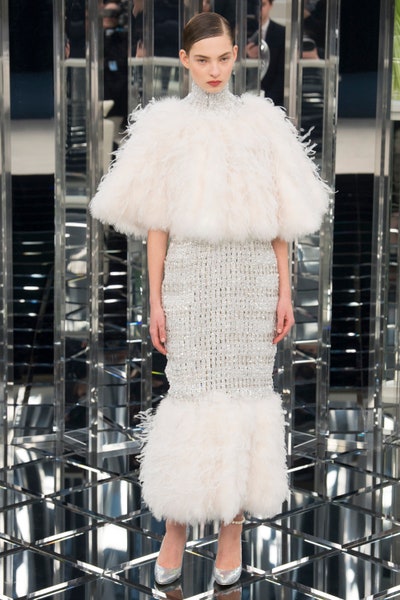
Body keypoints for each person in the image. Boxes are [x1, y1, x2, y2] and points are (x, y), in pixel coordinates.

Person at [90, 12, 329, 587]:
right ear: (185, 61)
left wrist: (285, 290)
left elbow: (280, 220)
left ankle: (231, 533)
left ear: (236, 56)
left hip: (251, 281)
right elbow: (156, 226)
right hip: (190, 281)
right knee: (190, 397)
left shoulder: (261, 123)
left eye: (223, 58)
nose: (215, 70)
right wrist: (155, 300)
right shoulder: (165, 126)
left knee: (246, 400)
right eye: (203, 60)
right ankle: (175, 528)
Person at [246, 0, 285, 105]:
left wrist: (267, 103)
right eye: (255, 4)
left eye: (262, 5)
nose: (258, 9)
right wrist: (246, 55)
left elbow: (282, 74)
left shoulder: (282, 33)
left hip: (273, 99)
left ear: (271, 5)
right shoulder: (242, 31)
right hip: (244, 96)